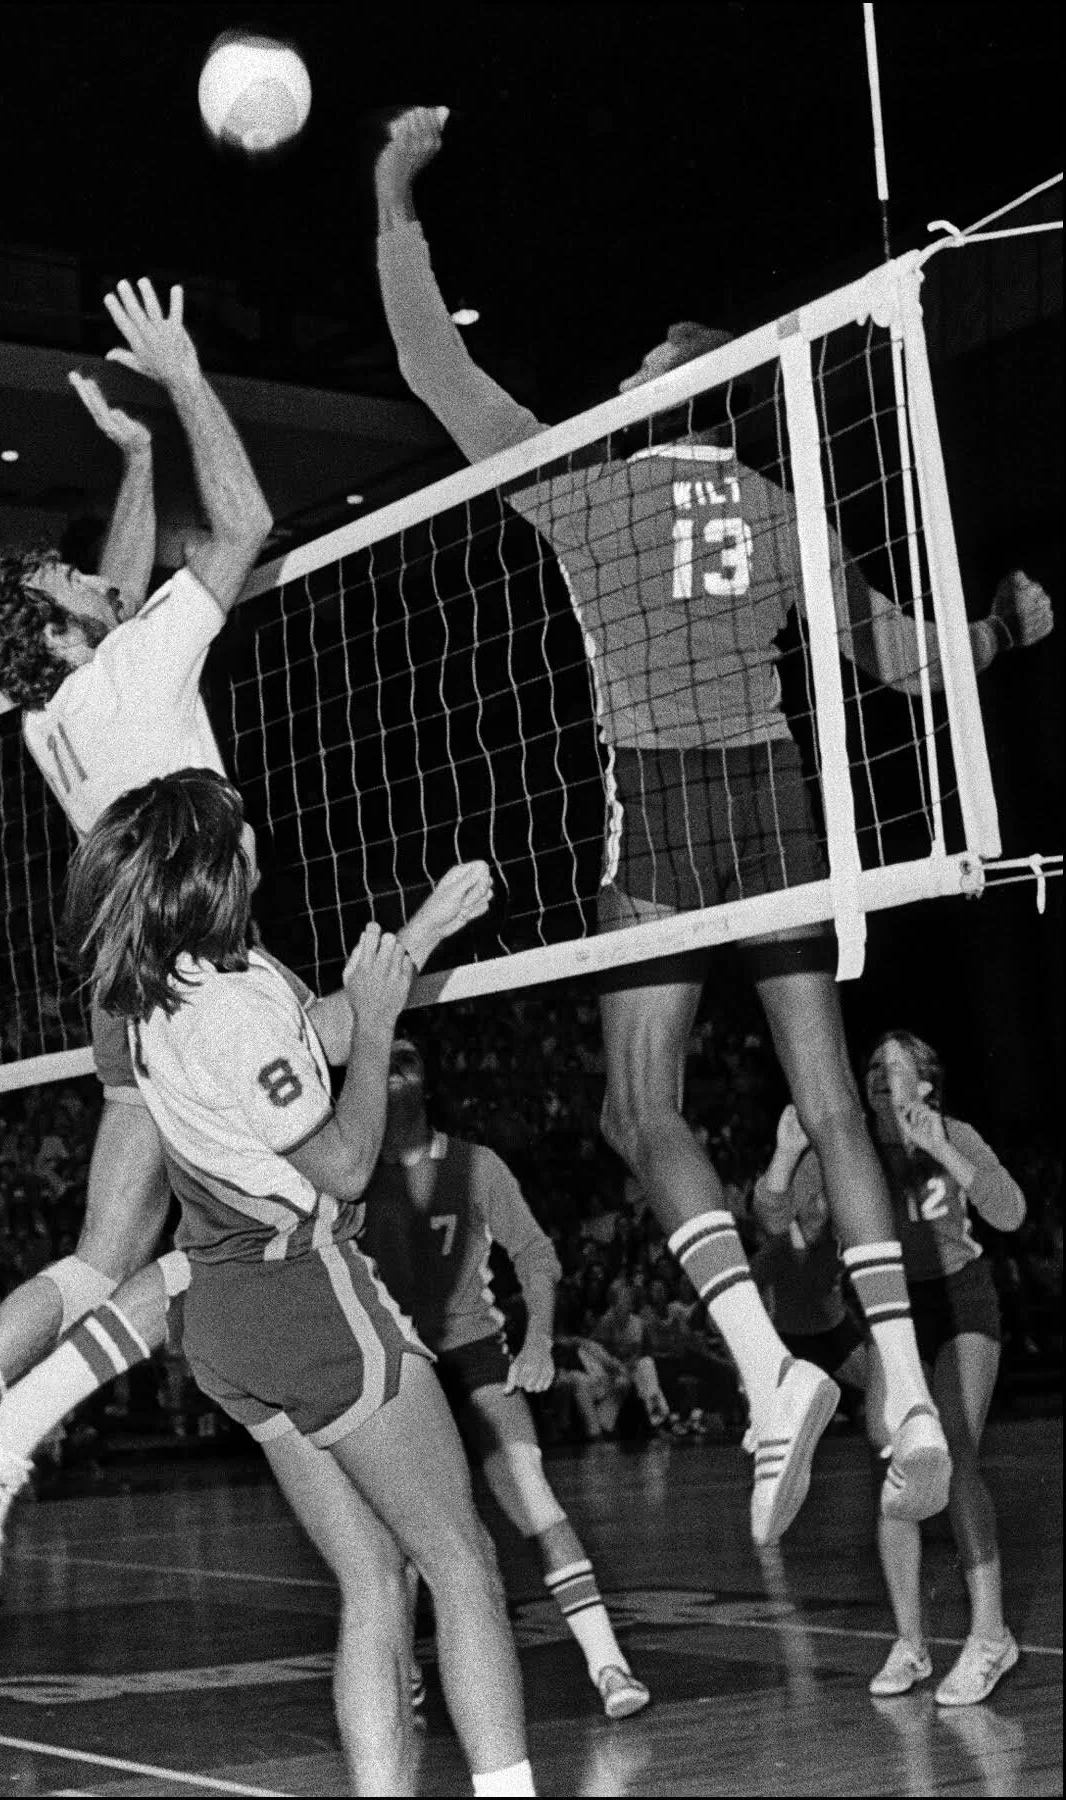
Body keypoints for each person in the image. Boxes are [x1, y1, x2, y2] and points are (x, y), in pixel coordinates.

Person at [372, 106, 1055, 1548]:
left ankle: (765, 1372)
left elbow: (432, 364)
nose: (622, 374)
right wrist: (1002, 627)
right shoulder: (773, 500)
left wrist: (391, 193)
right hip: (780, 797)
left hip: (667, 801)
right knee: (831, 1103)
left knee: (639, 1110)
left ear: (663, 392)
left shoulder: (585, 484)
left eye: (637, 365)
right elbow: (896, 660)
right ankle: (902, 1396)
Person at [0, 274, 273, 1596]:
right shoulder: (134, 668)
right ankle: (13, 1425)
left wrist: (136, 458)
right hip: (195, 967)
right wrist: (186, 382)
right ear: (60, 626)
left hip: (118, 972)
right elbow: (246, 525)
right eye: (79, 582)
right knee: (257, 1231)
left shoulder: (48, 711)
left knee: (102, 1258)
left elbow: (115, 584)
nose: (107, 577)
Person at [41, 767, 531, 1796]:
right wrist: (386, 1024)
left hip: (228, 1316)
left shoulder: (172, 980)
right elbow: (346, 1163)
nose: (256, 830)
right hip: (309, 1298)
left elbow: (317, 1031)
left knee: (374, 1578)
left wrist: (421, 935)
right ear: (217, 868)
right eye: (238, 826)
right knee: (463, 1565)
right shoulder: (226, 1012)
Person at [360, 1036, 650, 1721]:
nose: (396, 1068)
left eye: (408, 1056)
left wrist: (540, 1341)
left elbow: (535, 1255)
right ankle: (401, 1670)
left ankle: (608, 1665)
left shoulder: (477, 1165)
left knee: (533, 1497)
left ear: (427, 1077)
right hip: (398, 1366)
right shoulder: (350, 1175)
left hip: (475, 1357)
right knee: (394, 1536)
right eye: (383, 1058)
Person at [759, 1032, 1027, 1707]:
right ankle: (911, 1643)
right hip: (891, 1307)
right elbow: (774, 1222)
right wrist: (786, 1155)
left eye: (897, 1065)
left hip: (960, 1296)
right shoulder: (843, 1149)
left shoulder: (955, 1134)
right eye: (873, 1065)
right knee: (899, 1465)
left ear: (926, 1081)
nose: (880, 1074)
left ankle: (990, 1636)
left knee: (956, 1451)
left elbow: (1010, 1212)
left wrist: (940, 1148)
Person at [752, 1104, 871, 1396]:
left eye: (825, 1197)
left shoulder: (840, 1234)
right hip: (791, 1339)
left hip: (835, 1332)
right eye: (813, 1197)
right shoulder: (779, 1246)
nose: (821, 1203)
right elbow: (751, 1281)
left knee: (883, 1389)